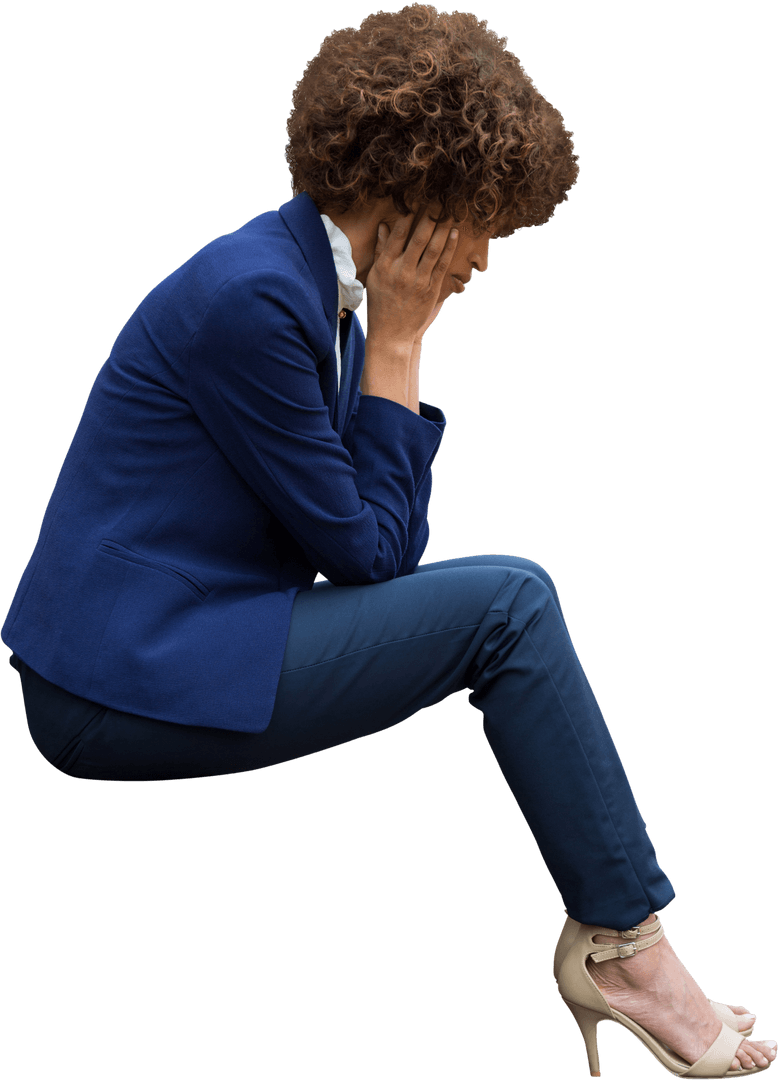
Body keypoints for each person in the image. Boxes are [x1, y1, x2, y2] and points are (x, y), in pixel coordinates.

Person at [2, 4, 774, 1076]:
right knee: (511, 603)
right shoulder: (255, 298)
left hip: (197, 634)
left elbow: (383, 549)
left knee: (509, 602)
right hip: (115, 685)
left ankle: (625, 946)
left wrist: (387, 339)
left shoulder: (312, 289)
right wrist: (400, 341)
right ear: (418, 194)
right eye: (485, 221)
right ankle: (628, 955)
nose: (487, 261)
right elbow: (369, 558)